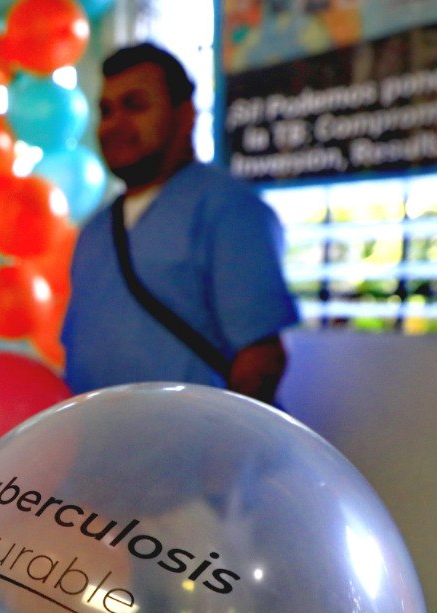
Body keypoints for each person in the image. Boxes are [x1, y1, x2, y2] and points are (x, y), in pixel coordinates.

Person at [60, 42, 300, 404]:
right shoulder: (94, 231)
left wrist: (216, 454)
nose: (113, 124)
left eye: (135, 105)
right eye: (106, 110)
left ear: (185, 114)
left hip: (200, 456)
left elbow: (261, 360)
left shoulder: (229, 210)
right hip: (101, 455)